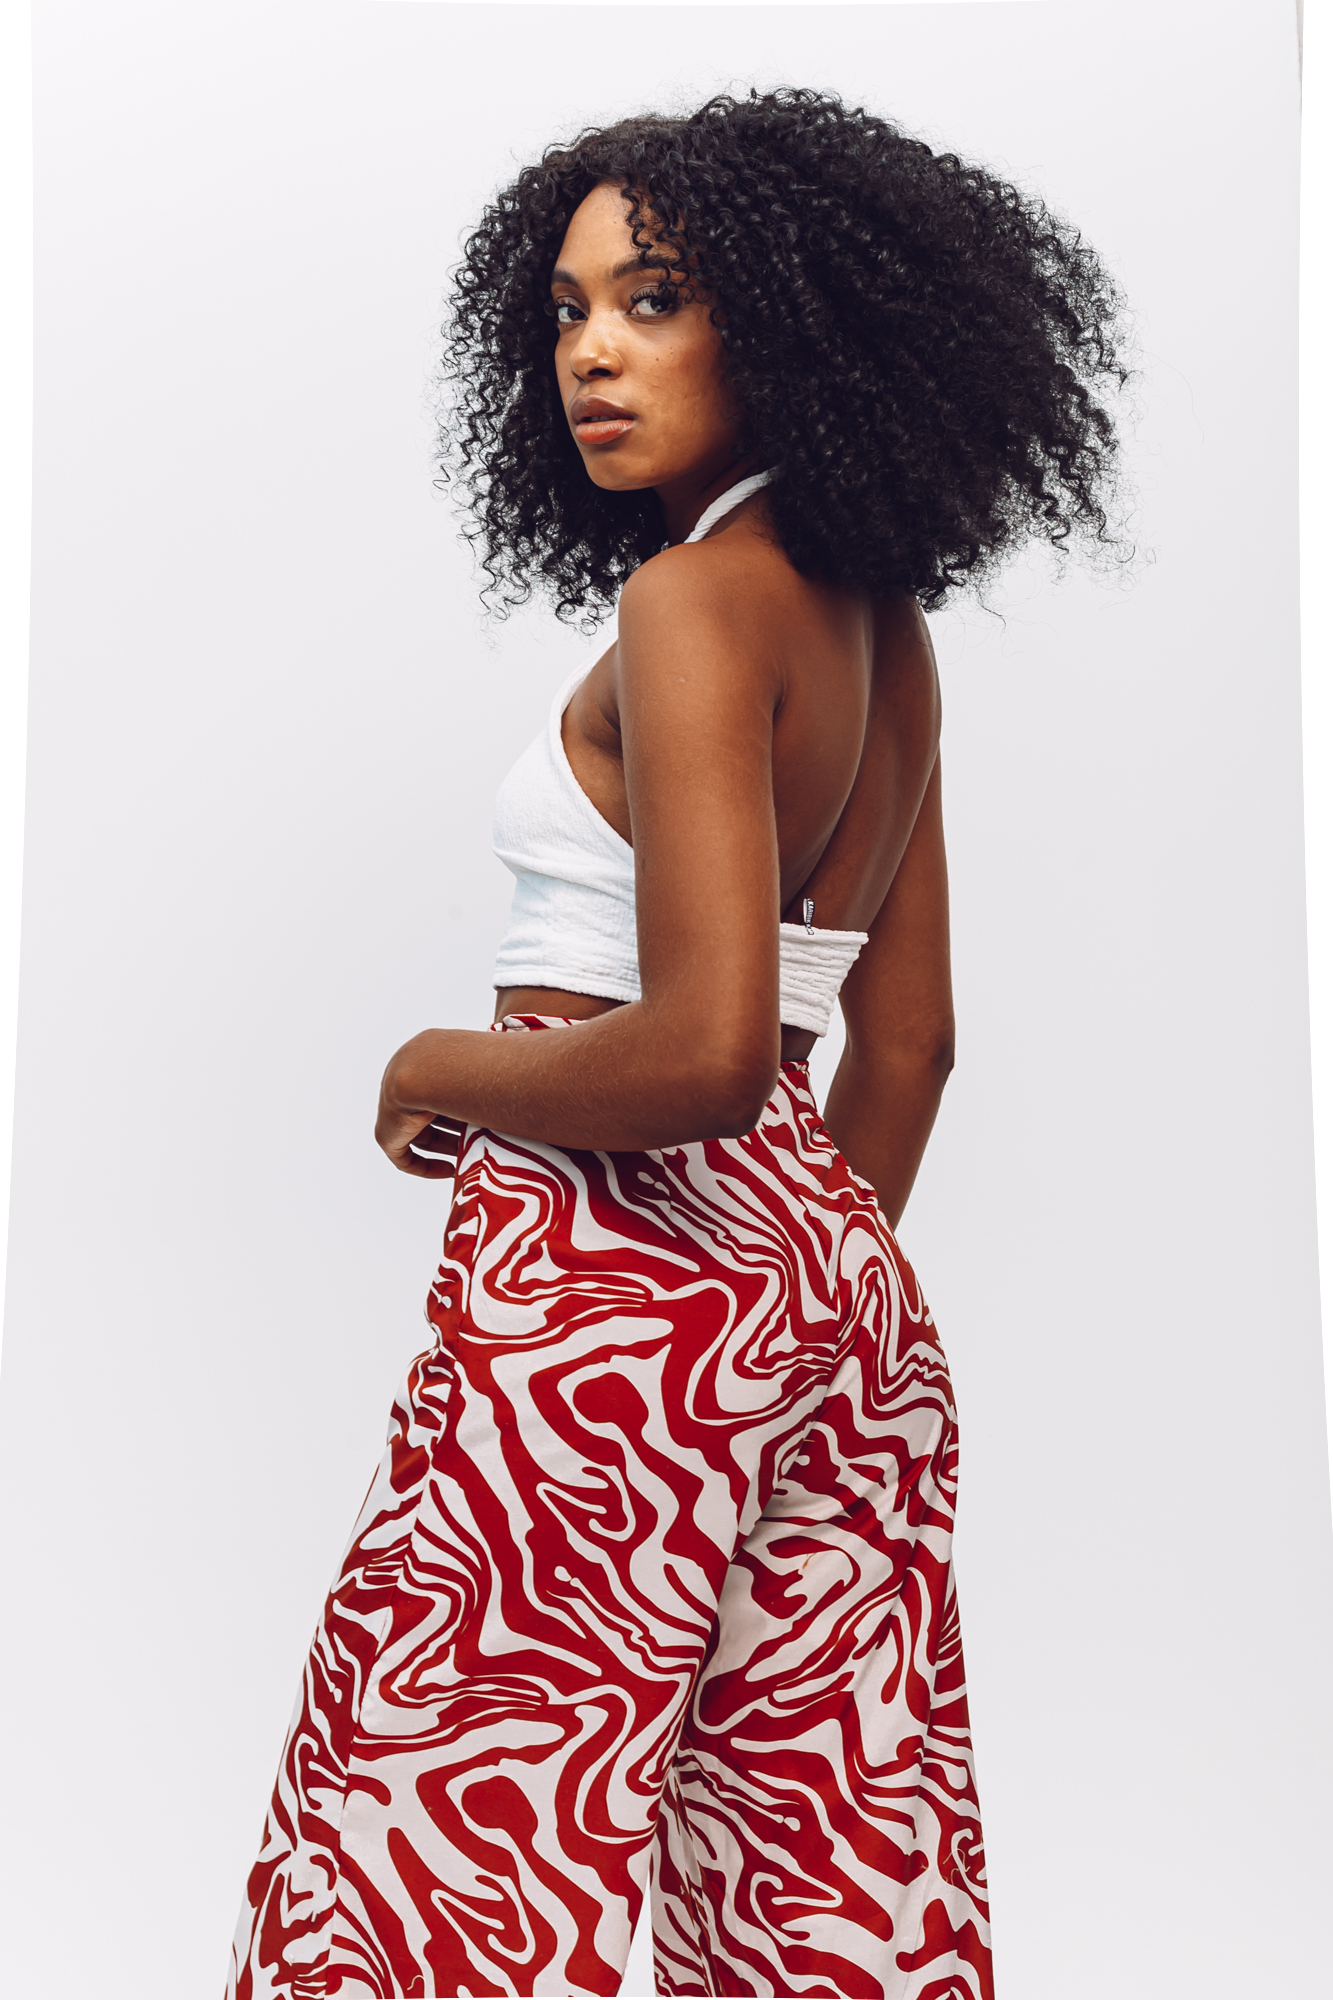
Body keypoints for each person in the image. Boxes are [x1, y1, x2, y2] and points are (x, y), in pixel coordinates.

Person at [229, 88, 1124, 2000]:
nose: (592, 352)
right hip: (828, 1279)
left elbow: (709, 1049)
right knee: (820, 1868)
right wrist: (777, 1309)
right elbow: (906, 1048)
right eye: (565, 311)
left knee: (438, 1841)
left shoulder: (689, 601)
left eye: (653, 299)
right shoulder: (884, 629)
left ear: (786, 327)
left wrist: (431, 1070)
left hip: (602, 1274)